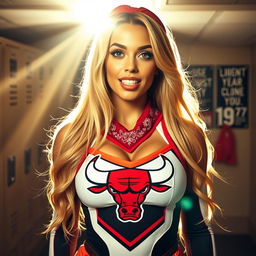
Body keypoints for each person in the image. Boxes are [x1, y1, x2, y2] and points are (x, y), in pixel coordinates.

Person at [44, 4, 220, 256]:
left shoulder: (186, 135)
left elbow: (199, 230)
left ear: (159, 63)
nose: (131, 67)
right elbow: (62, 230)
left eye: (145, 54)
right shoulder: (73, 136)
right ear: (101, 61)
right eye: (118, 53)